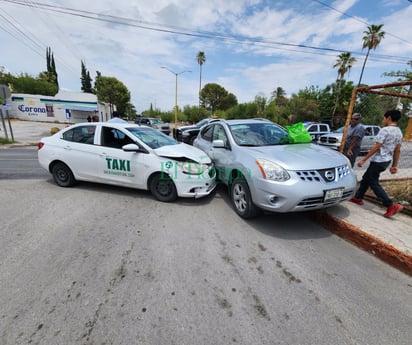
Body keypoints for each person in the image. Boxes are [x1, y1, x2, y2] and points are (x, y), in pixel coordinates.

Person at [349, 109, 403, 218]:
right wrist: (394, 165)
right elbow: (397, 150)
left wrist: (364, 159)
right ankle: (358, 197)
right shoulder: (399, 132)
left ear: (388, 118)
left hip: (379, 160)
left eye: (384, 118)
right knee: (367, 177)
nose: (383, 120)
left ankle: (390, 205)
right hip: (386, 161)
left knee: (373, 181)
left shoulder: (385, 130)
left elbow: (377, 146)